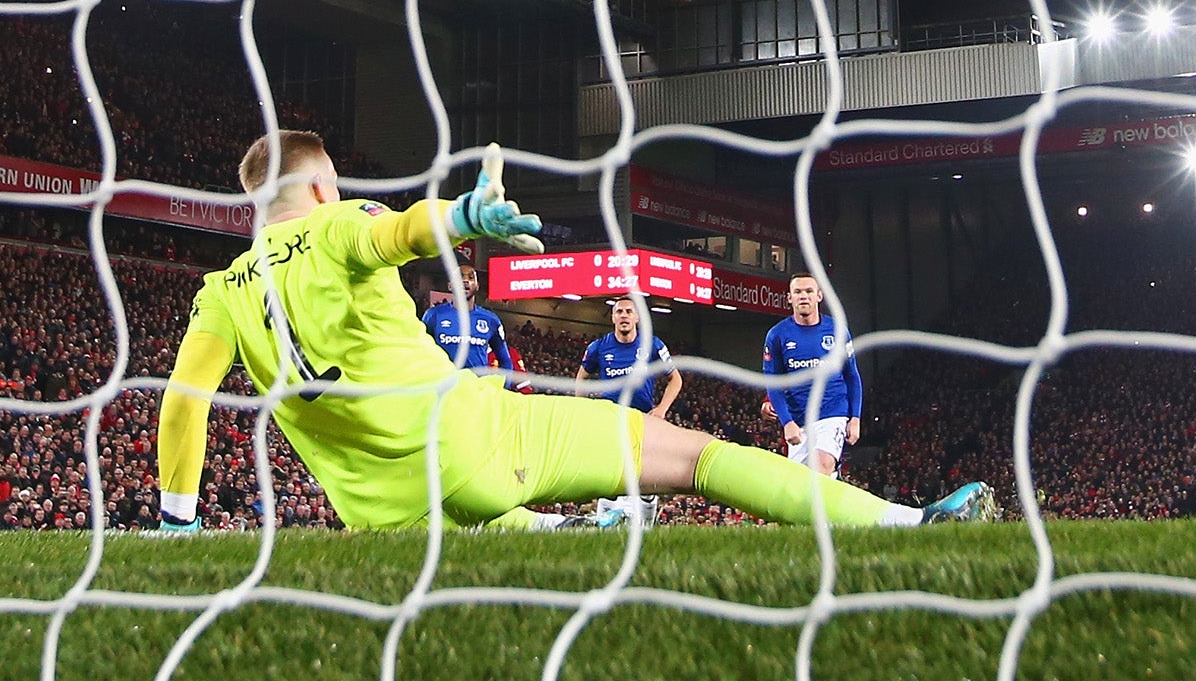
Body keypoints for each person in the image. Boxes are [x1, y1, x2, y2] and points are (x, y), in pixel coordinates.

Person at [155, 131, 994, 532]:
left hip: (389, 514)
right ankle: (908, 525)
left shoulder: (219, 293)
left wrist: (178, 523)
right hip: (480, 442)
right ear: (324, 189)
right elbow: (399, 230)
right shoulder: (344, 224)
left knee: (524, 531)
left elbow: (182, 408)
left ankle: (557, 529)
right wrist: (464, 215)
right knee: (700, 458)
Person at [578, 295, 686, 526]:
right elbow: (581, 377)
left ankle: (645, 522)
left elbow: (675, 379)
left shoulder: (653, 345)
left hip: (643, 420)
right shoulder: (599, 347)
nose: (624, 316)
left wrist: (662, 409)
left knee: (645, 476)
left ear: (637, 317)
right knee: (610, 476)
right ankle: (604, 524)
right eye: (619, 312)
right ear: (613, 318)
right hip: (612, 420)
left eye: (629, 311)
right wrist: (584, 409)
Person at [763, 273, 863, 477]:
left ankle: (831, 472)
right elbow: (773, 383)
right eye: (797, 292)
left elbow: (852, 376)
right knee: (801, 483)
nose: (803, 296)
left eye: (809, 291)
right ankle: (834, 482)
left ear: (819, 296)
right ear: (789, 298)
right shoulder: (777, 335)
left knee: (822, 465)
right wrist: (787, 422)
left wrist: (855, 417)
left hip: (833, 411)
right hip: (799, 419)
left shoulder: (836, 331)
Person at [422, 263, 516, 379]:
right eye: (460, 277)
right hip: (444, 389)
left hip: (475, 391)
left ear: (477, 286)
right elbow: (421, 353)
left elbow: (506, 362)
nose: (465, 280)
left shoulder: (491, 320)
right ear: (450, 286)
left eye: (471, 277)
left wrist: (502, 388)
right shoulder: (433, 315)